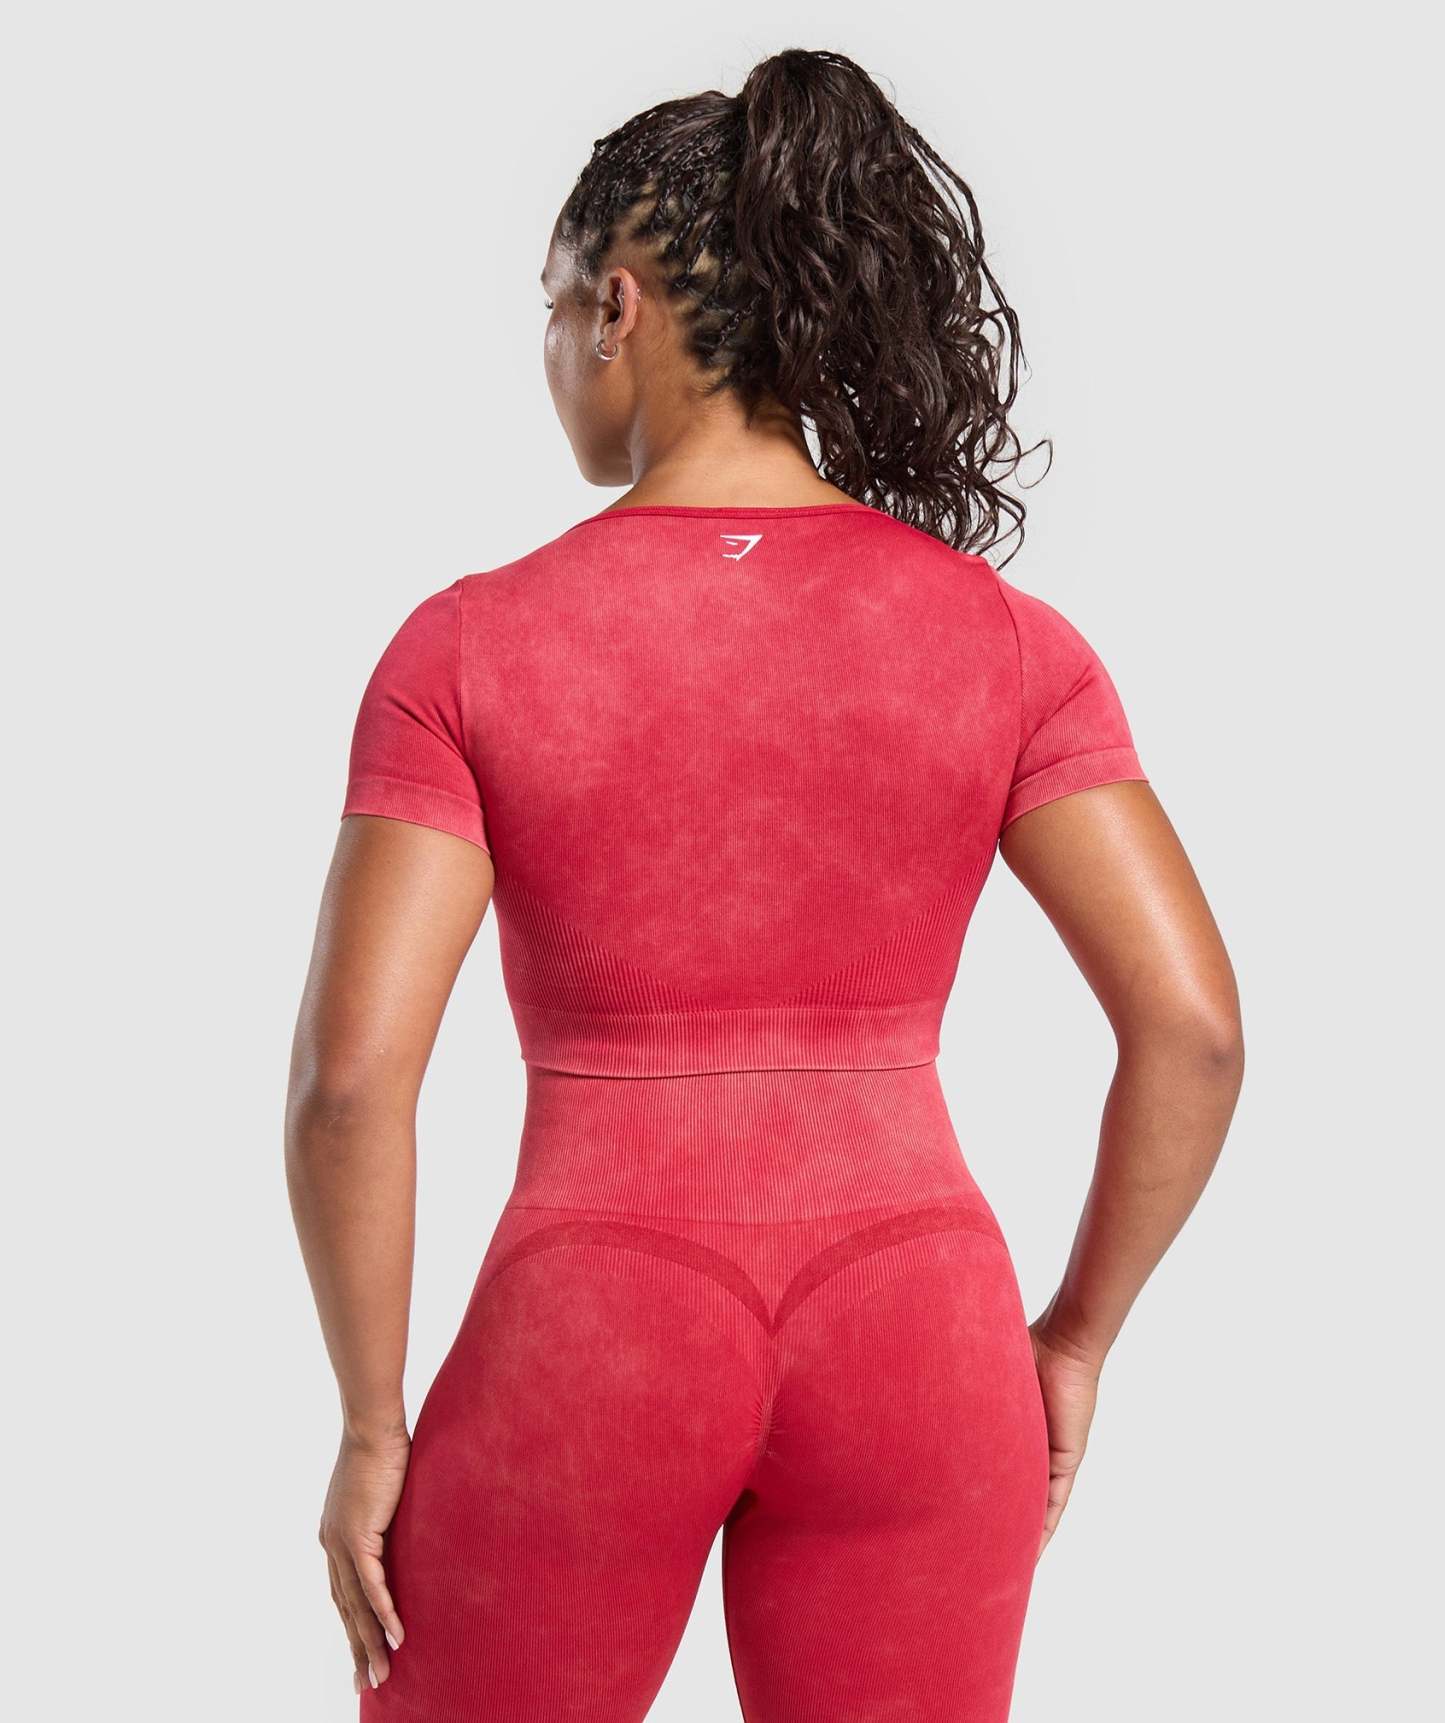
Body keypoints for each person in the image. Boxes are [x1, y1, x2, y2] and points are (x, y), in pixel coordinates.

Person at [285, 46, 1244, 1723]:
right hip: (918, 1329)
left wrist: (373, 1425)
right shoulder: (1005, 642)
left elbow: (353, 1083)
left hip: (594, 1328)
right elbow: (1195, 1031)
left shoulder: (469, 648)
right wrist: (1072, 1340)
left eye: (552, 307)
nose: (551, 352)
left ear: (619, 308)